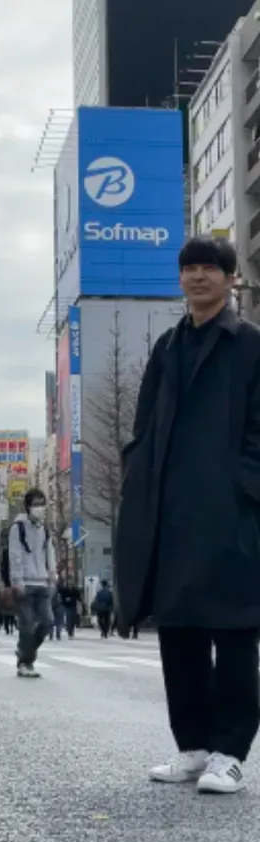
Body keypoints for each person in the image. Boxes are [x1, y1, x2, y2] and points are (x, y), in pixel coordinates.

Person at [115, 234, 260, 795]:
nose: (199, 277)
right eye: (190, 268)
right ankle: (193, 747)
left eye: (210, 268)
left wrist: (243, 483)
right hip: (171, 512)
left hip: (230, 511)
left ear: (230, 279)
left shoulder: (249, 344)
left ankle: (230, 752)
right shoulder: (168, 345)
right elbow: (146, 423)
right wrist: (139, 473)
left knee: (236, 631)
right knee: (178, 633)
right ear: (180, 279)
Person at [9, 488, 56, 678]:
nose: (40, 508)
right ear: (28, 507)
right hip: (25, 584)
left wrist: (52, 572)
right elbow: (15, 555)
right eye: (36, 504)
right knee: (27, 624)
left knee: (47, 622)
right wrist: (17, 581)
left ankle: (24, 652)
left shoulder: (45, 529)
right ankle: (25, 662)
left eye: (42, 504)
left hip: (43, 583)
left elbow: (49, 552)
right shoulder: (18, 528)